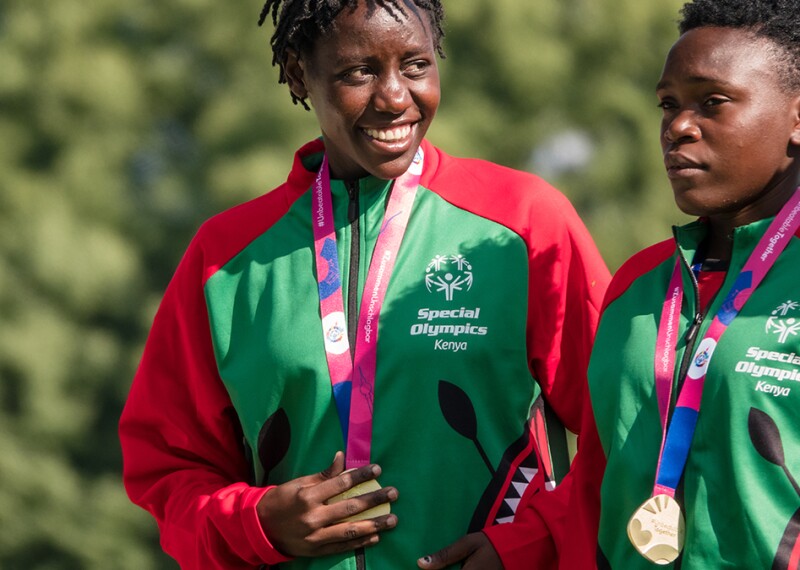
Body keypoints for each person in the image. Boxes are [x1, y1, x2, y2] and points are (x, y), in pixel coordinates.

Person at [118, 1, 610, 568]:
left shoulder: (522, 224)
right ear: (300, 73)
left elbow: (628, 428)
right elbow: (167, 470)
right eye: (360, 72)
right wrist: (256, 524)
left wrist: (527, 544)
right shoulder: (225, 259)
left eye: (416, 65)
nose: (396, 97)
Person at [558, 0, 800, 567]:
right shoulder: (637, 286)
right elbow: (593, 485)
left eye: (712, 102)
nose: (677, 127)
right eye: (669, 105)